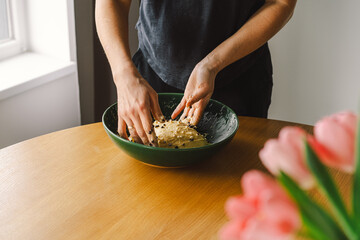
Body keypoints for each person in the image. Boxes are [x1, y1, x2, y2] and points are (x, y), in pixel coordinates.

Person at [95, 0, 297, 146]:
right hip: (150, 79)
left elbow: (281, 3)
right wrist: (123, 75)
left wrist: (211, 64)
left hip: (239, 80)